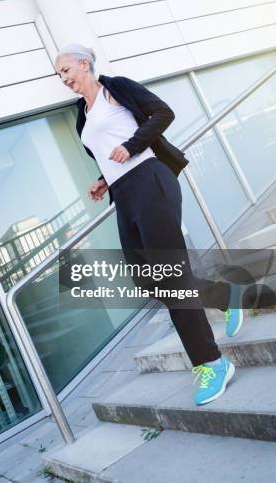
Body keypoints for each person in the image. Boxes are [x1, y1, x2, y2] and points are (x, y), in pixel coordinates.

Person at [55, 44, 243, 406]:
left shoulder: (116, 88)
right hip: (124, 195)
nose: (63, 79)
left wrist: (132, 145)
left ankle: (211, 362)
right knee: (145, 277)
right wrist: (103, 179)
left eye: (65, 70)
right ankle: (225, 295)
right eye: (59, 75)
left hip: (151, 180)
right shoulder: (83, 115)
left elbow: (162, 113)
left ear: (84, 64)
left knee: (172, 275)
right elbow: (110, 152)